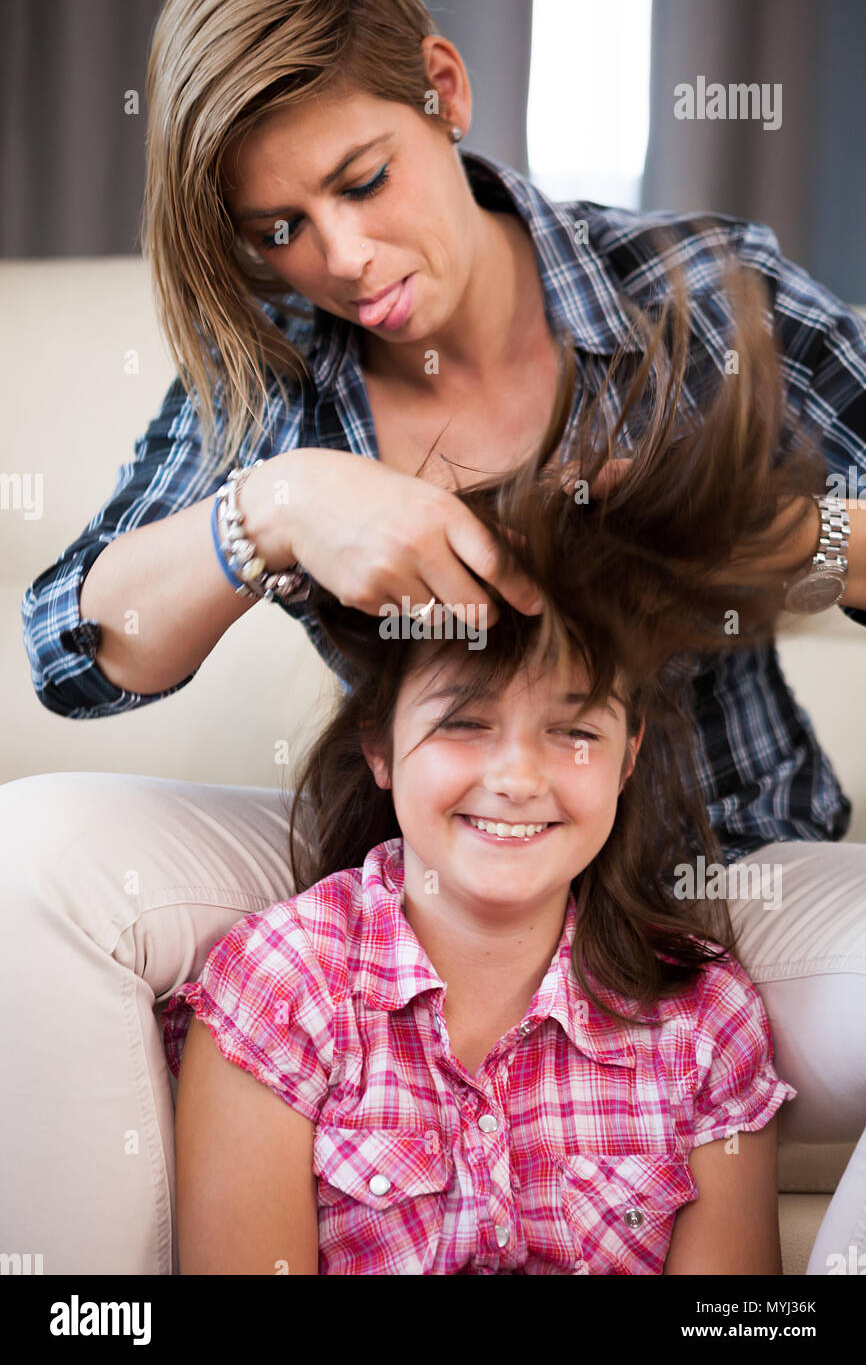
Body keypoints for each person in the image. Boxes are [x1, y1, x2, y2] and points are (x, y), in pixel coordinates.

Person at [4, 0, 865, 1274]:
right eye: (279, 225)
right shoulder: (276, 373)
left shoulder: (695, 293)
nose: (339, 258)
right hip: (413, 860)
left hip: (716, 880)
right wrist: (269, 510)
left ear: (442, 90)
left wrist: (803, 539)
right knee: (34, 853)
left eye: (363, 180)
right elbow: (72, 649)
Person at [164, 273, 814, 1274]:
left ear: (629, 751)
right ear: (379, 745)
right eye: (465, 725)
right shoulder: (278, 987)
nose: (517, 778)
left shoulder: (704, 1016)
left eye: (573, 733)